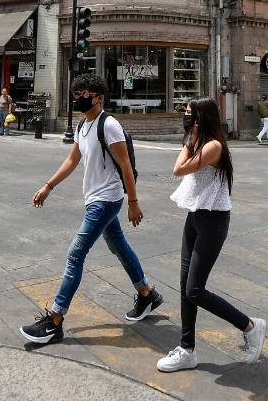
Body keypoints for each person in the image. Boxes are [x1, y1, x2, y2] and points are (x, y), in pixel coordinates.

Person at [19, 73, 162, 345]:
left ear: (99, 97)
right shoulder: (83, 126)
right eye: (77, 93)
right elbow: (72, 160)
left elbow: (126, 166)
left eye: (86, 94)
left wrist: (133, 202)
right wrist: (48, 186)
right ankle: (147, 294)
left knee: (75, 254)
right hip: (95, 198)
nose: (80, 98)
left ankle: (55, 321)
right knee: (119, 247)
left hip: (106, 199)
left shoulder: (109, 125)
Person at [157, 97, 265, 373]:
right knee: (185, 285)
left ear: (202, 117)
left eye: (190, 114)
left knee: (194, 289)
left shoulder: (213, 146)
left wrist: (190, 139)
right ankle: (187, 350)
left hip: (213, 221)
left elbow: (178, 169)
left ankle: (250, 326)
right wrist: (192, 137)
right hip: (195, 216)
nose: (185, 117)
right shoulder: (199, 142)